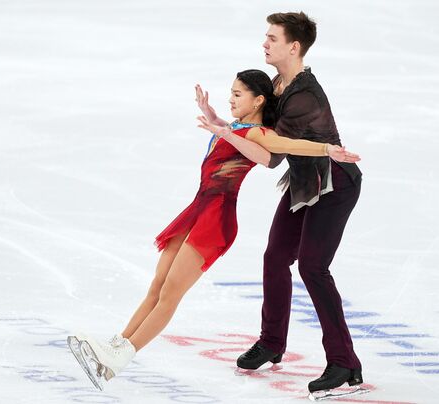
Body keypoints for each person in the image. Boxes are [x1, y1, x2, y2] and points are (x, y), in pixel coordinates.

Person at [68, 69, 360, 389]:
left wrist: (327, 149)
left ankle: (122, 357)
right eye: (230, 93)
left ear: (258, 100)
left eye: (238, 94)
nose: (231, 99)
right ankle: (115, 347)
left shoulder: (258, 134)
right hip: (198, 209)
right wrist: (216, 119)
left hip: (216, 217)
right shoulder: (238, 127)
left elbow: (276, 149)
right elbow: (233, 132)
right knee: (158, 284)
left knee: (170, 293)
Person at [197, 12, 365, 399]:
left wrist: (227, 131)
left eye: (272, 38)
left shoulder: (304, 95)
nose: (265, 44)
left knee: (312, 266)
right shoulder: (277, 84)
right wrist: (223, 122)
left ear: (294, 46)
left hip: (335, 184)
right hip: (306, 182)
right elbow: (265, 142)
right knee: (275, 257)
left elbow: (271, 151)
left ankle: (345, 364)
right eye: (265, 37)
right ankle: (272, 342)